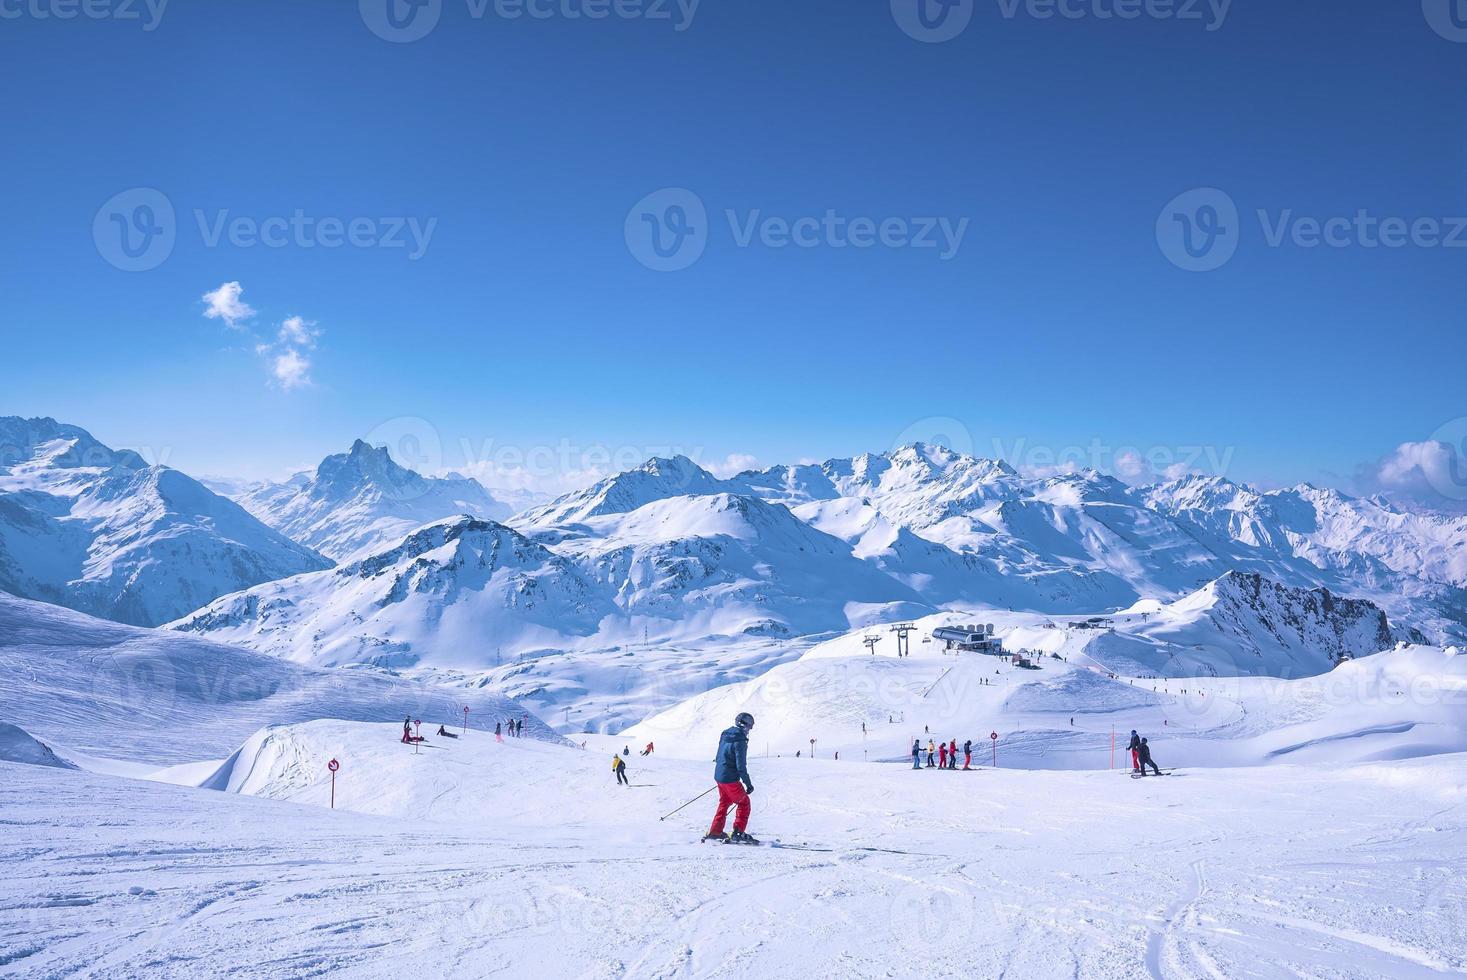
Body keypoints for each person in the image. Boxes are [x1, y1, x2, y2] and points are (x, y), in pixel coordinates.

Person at [705, 712, 757, 843]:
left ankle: (715, 831)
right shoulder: (740, 740)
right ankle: (738, 832)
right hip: (730, 779)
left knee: (725, 801)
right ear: (745, 725)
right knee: (744, 803)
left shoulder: (725, 734)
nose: (749, 730)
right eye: (750, 727)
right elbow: (741, 765)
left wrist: (722, 773)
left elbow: (718, 756)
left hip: (719, 775)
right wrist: (748, 784)